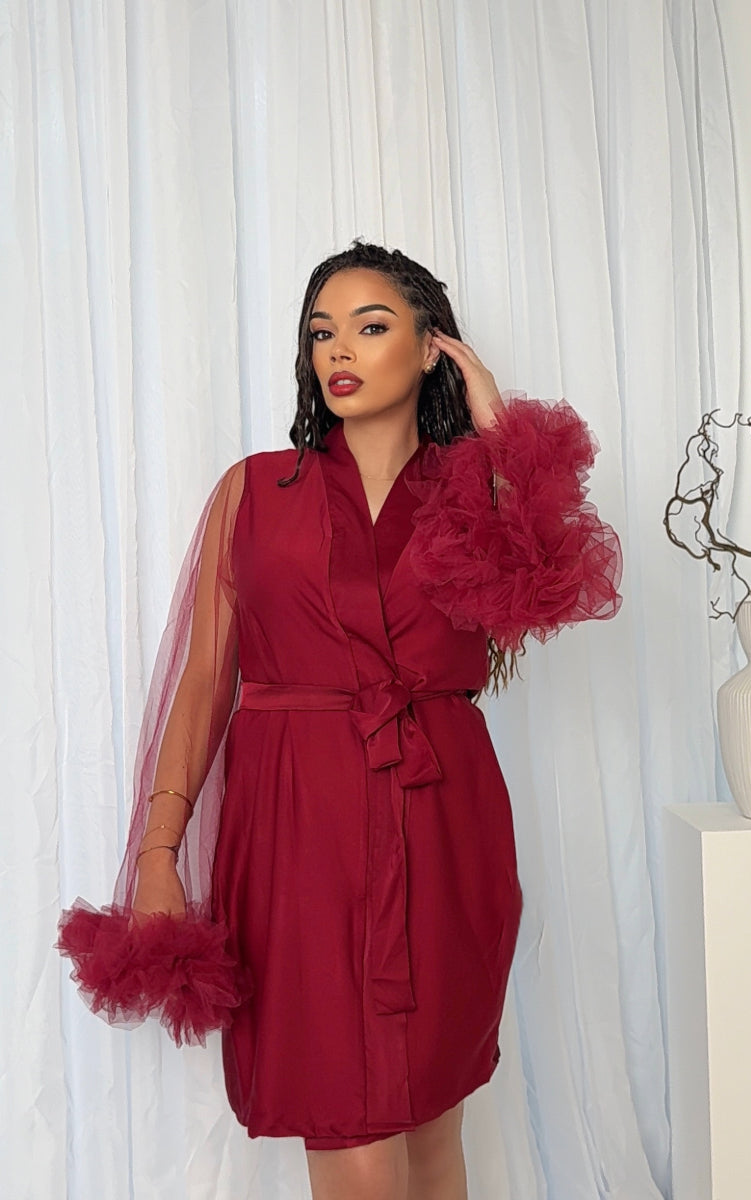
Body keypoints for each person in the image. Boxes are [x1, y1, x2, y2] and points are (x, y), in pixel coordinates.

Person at [58, 241, 622, 1200]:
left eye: (371, 325)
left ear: (430, 348)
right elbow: (205, 682)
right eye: (323, 331)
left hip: (442, 829)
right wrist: (158, 850)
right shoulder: (253, 491)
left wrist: (497, 429)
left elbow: (549, 587)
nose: (340, 350)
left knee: (434, 1129)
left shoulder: (472, 494)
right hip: (299, 836)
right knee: (348, 1126)